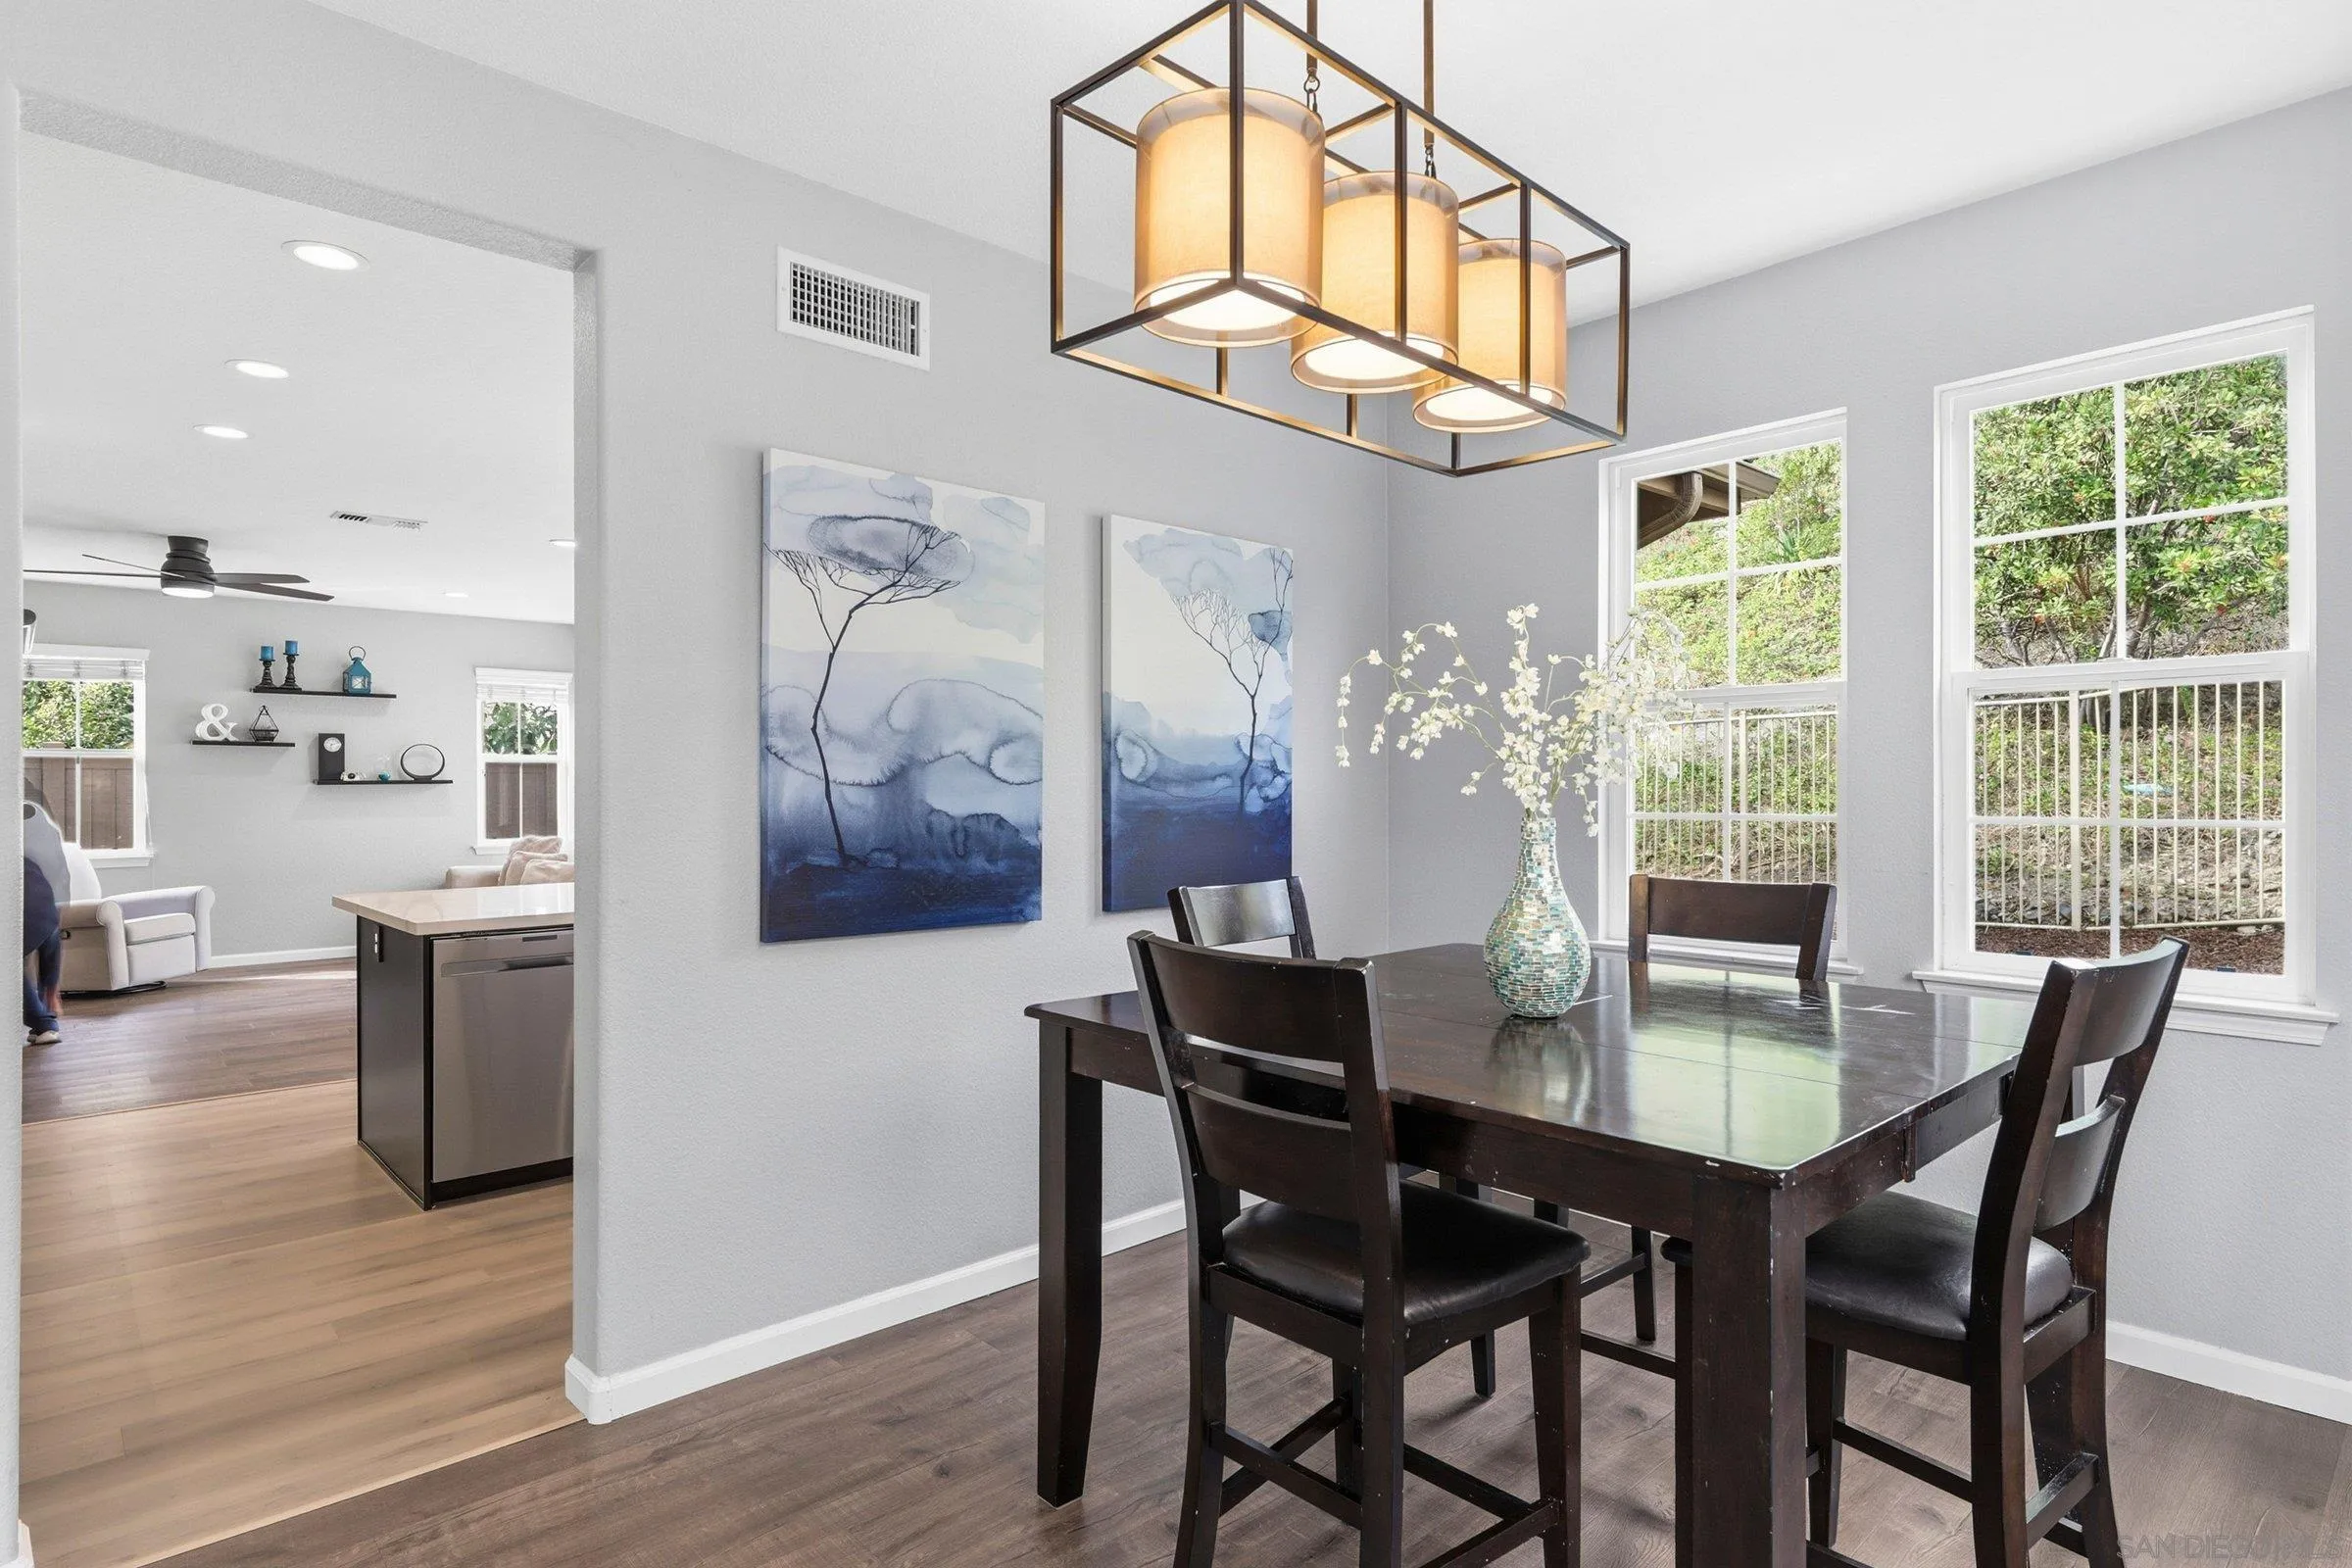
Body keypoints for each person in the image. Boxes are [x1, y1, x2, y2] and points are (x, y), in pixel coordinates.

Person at [24, 799, 68, 1047]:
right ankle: (46, 1013)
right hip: (49, 910)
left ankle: (43, 1024)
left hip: (30, 912)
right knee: (49, 948)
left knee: (7, 969)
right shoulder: (40, 846)